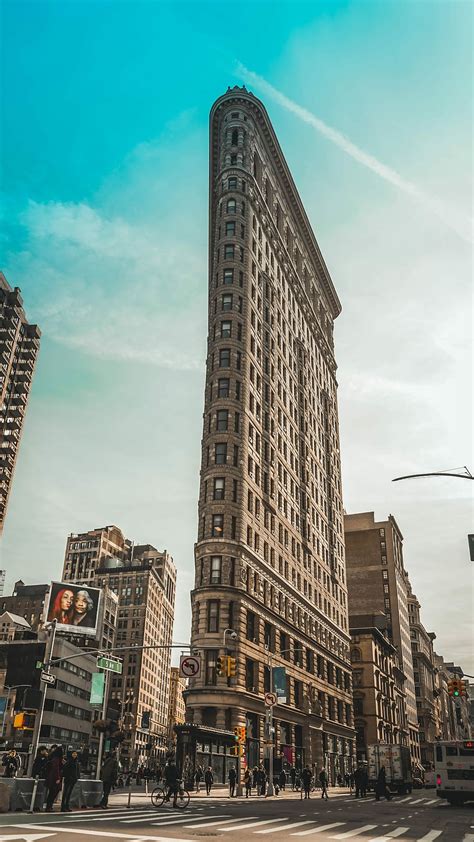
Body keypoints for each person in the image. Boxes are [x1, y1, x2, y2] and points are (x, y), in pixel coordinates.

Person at [45, 746, 64, 812]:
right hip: (54, 778)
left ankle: (49, 806)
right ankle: (49, 807)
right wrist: (58, 778)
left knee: (52, 793)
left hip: (51, 777)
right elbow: (56, 769)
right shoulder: (56, 759)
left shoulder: (53, 758)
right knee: (53, 793)